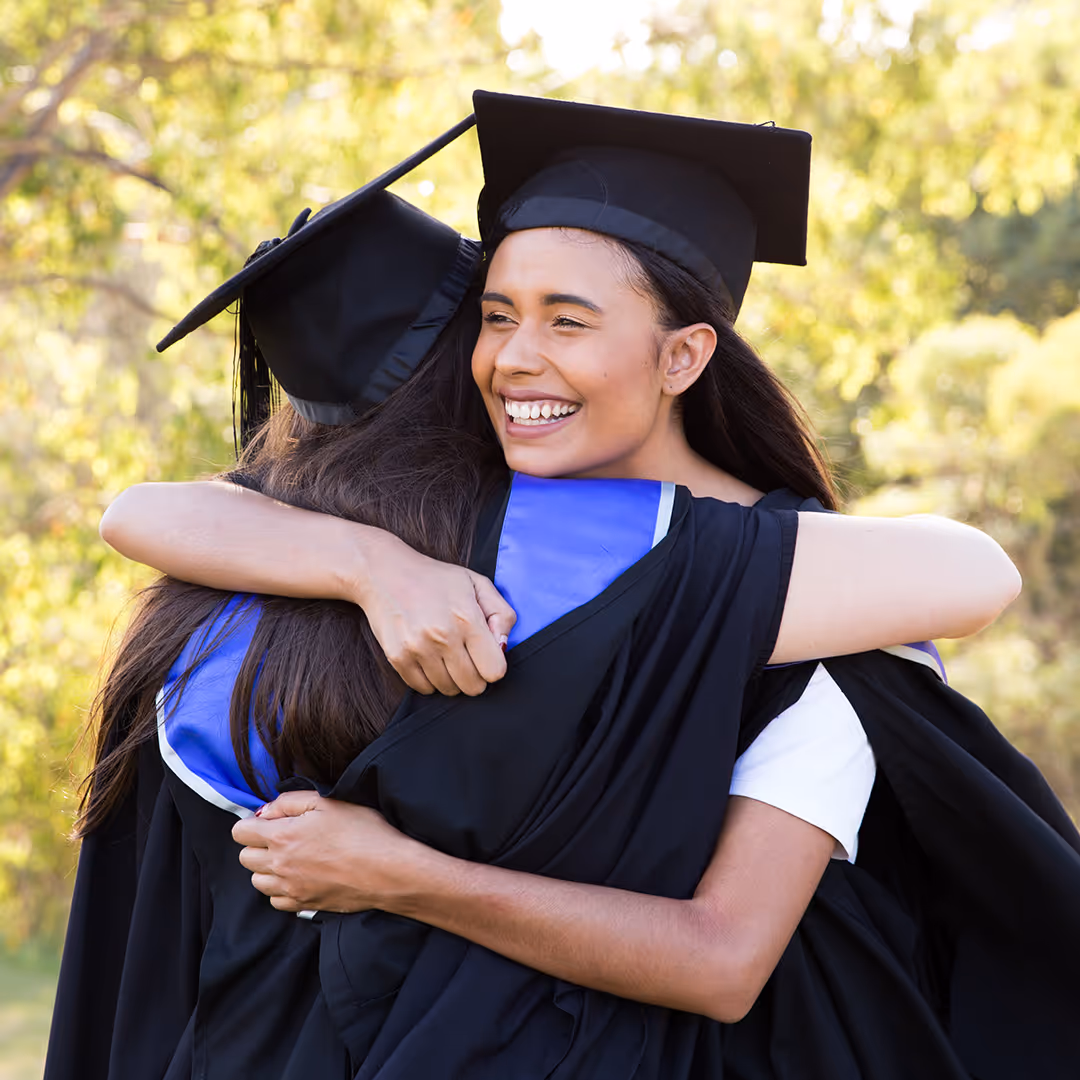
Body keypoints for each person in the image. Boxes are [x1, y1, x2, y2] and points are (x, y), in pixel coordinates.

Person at [55, 92, 1052, 1080]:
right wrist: (375, 567)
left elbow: (723, 956)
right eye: (495, 317)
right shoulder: (427, 549)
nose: (515, 359)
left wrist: (405, 877)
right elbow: (147, 510)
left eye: (567, 322)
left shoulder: (825, 600)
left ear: (685, 354)